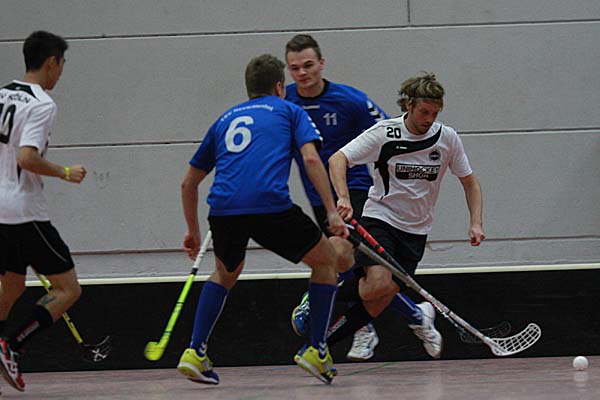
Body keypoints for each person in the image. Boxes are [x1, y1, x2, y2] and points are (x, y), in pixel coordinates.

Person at [176, 54, 348, 385]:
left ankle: (195, 351)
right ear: (280, 87)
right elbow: (311, 159)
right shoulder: (289, 110)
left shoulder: (224, 119)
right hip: (269, 205)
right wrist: (330, 210)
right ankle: (317, 349)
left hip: (223, 209)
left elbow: (188, 183)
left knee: (225, 272)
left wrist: (192, 231)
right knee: (327, 260)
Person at [285, 34, 434, 361]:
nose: (303, 73)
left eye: (308, 65)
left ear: (321, 63)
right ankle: (415, 316)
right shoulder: (286, 102)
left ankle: (318, 305)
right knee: (353, 269)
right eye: (295, 68)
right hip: (318, 197)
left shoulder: (350, 100)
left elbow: (391, 133)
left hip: (351, 192)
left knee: (336, 252)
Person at [324, 72, 485, 357]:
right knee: (378, 283)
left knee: (379, 295)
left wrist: (476, 222)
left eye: (435, 113)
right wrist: (344, 197)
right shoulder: (386, 133)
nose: (429, 119)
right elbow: (338, 159)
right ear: (408, 105)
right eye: (424, 112)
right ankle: (317, 298)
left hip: (416, 231)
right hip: (380, 218)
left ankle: (318, 345)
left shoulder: (447, 139)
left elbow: (470, 182)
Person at [0, 31, 87, 393]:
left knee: (12, 285)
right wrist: (65, 172)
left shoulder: (2, 94)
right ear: (51, 62)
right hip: (24, 212)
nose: (61, 72)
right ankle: (11, 345)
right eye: (62, 64)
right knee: (68, 289)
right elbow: (27, 157)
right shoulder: (42, 104)